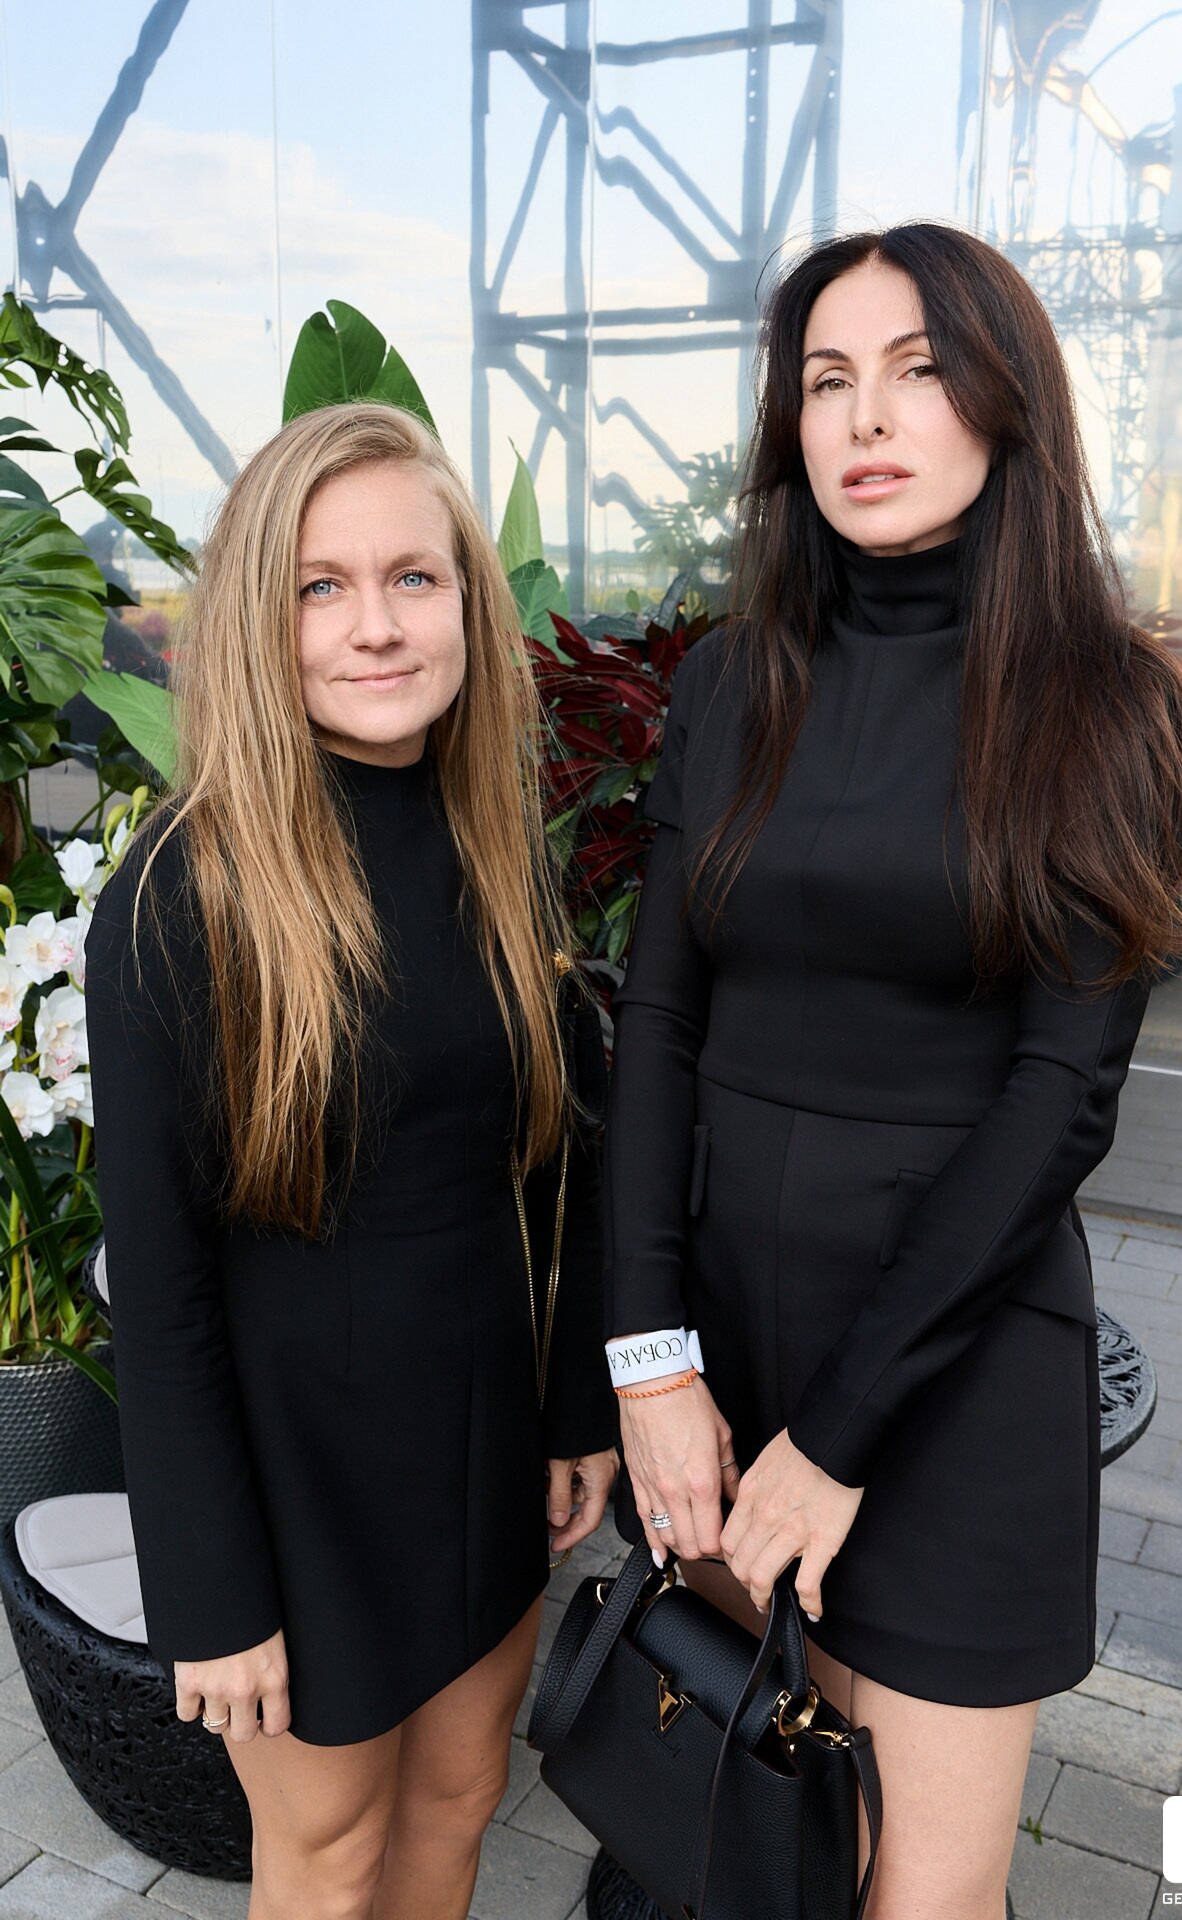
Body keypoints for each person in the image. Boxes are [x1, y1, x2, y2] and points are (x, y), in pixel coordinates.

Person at [602, 223, 1182, 1920]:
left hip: (952, 1367)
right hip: (725, 1348)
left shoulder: (1109, 705)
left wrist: (841, 1434)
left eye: (919, 369)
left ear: (1006, 406)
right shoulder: (731, 683)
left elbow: (1057, 1102)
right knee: (754, 1850)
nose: (865, 416)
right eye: (825, 379)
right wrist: (648, 1364)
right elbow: (656, 1025)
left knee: (919, 1897)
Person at [84, 402, 618, 1920]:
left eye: (413, 578)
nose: (375, 626)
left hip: (483, 1441)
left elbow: (557, 1166)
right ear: (265, 620)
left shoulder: (495, 846)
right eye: (322, 586)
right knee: (325, 1859)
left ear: (468, 604)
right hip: (297, 1478)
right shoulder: (181, 890)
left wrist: (573, 1406)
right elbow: (160, 1288)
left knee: (456, 1802)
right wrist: (209, 1592)